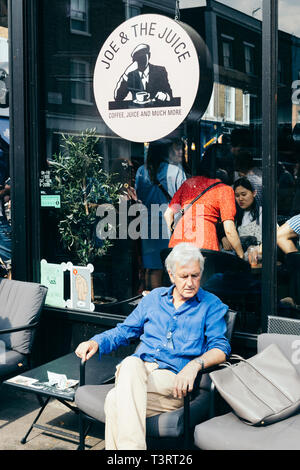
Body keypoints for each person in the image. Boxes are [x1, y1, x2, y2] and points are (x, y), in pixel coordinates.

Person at [75, 242, 230, 450]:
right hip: (139, 375)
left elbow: (220, 348)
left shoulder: (211, 305)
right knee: (123, 382)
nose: (190, 283)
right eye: (184, 276)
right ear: (171, 275)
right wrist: (96, 341)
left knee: (120, 387)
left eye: (195, 275)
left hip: (174, 381)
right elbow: (124, 331)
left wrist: (194, 365)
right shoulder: (155, 298)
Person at [164, 156, 244, 259]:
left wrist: (176, 230)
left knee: (182, 274)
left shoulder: (189, 183)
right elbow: (229, 229)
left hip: (178, 245)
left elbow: (168, 214)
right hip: (204, 244)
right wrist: (241, 254)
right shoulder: (224, 189)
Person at [135, 139, 187, 290]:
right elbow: (184, 200)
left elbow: (139, 197)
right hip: (169, 225)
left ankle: (152, 302)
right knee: (171, 268)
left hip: (148, 224)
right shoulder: (175, 171)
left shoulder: (141, 171)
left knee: (151, 268)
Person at [222, 177, 262, 253]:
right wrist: (223, 238)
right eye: (237, 195)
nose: (240, 199)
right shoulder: (234, 215)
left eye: (244, 194)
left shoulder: (263, 213)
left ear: (254, 193)